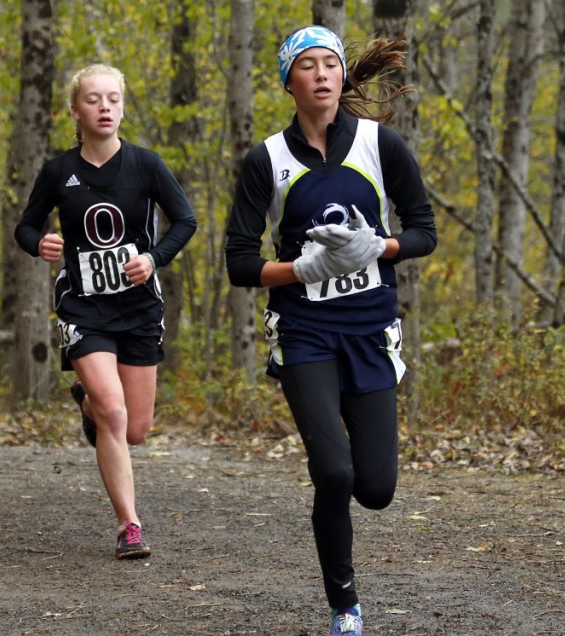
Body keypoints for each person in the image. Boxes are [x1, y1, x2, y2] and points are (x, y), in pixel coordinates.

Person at [224, 27, 437, 636]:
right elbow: (240, 262)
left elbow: (424, 229)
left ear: (343, 77)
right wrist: (300, 269)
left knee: (375, 488)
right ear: (289, 81)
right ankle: (345, 606)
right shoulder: (267, 159)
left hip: (370, 329)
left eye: (331, 65)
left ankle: (345, 577)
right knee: (335, 473)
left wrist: (382, 246)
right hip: (305, 329)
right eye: (308, 66)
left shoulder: (380, 145)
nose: (321, 75)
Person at [15, 64, 197, 559]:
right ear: (76, 110)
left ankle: (86, 399)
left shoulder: (147, 165)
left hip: (138, 307)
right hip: (82, 306)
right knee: (113, 413)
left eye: (113, 99)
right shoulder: (58, 171)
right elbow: (25, 228)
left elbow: (186, 221)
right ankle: (129, 525)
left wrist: (153, 257)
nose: (104, 108)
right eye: (93, 100)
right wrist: (42, 243)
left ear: (123, 106)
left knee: (134, 429)